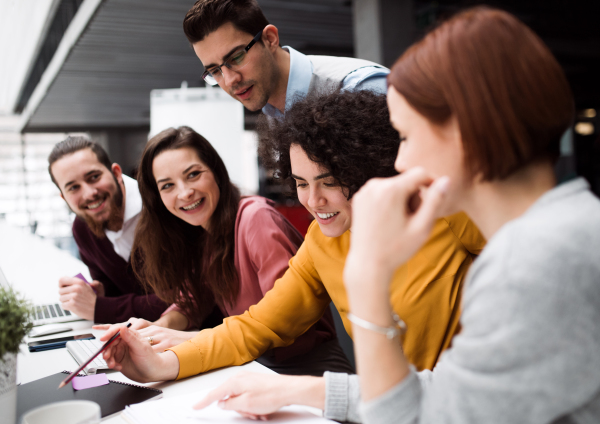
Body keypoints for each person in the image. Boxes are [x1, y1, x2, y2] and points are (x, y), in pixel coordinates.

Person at [99, 91, 486, 422]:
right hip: (389, 408)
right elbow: (255, 326)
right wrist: (164, 365)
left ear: (366, 170)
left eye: (330, 182)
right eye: (301, 183)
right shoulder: (321, 241)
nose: (314, 201)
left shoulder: (441, 211)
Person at [342, 7, 600, 424]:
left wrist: (367, 274)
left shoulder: (529, 263)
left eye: (405, 136)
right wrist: (308, 390)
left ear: (464, 130)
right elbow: (461, 391)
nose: (401, 162)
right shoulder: (567, 225)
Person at [96, 126, 352, 376]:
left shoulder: (256, 218)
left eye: (193, 174)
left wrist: (189, 340)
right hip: (257, 364)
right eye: (167, 186)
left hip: (303, 367)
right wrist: (156, 331)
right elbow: (193, 299)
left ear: (216, 172)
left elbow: (282, 324)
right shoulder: (205, 232)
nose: (185, 193)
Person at [183, 0, 389, 118]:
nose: (229, 80)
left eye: (236, 57)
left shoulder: (360, 88)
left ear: (270, 39)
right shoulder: (273, 114)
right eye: (215, 71)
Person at [47, 137, 167, 323]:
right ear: (64, 198)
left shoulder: (163, 206)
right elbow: (120, 292)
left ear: (116, 173)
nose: (89, 194)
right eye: (73, 187)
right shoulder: (82, 228)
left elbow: (187, 300)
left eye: (94, 177)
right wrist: (101, 294)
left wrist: (100, 308)